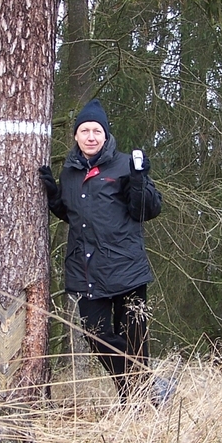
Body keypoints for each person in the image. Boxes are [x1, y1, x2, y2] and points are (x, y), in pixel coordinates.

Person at [38, 99, 162, 396]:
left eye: (97, 130)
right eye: (84, 130)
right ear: (76, 136)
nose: (91, 136)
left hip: (127, 269)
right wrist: (54, 197)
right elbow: (74, 216)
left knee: (135, 343)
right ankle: (148, 387)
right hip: (87, 271)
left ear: (106, 135)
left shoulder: (124, 164)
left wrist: (139, 179)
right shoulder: (70, 172)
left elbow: (146, 210)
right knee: (96, 337)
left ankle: (135, 406)